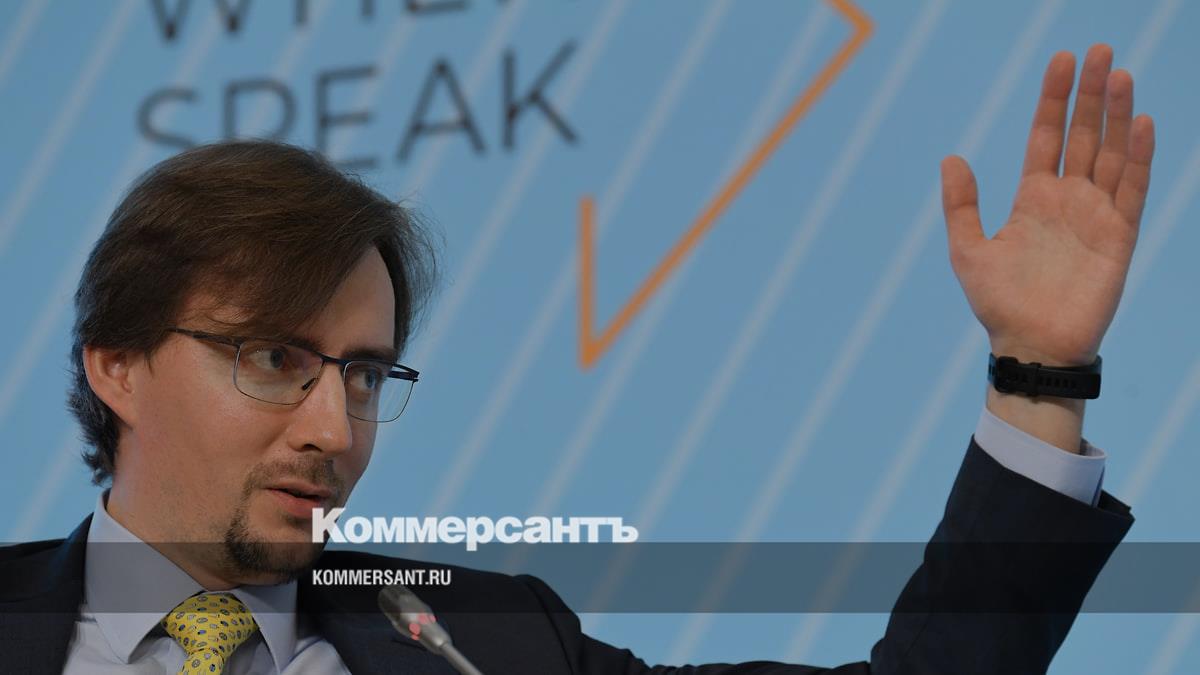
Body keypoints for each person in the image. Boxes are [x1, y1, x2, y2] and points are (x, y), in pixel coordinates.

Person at [0, 43, 1154, 673]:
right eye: (272, 359)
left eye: (363, 375)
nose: (334, 430)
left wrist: (1037, 375)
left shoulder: (482, 642)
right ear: (117, 365)